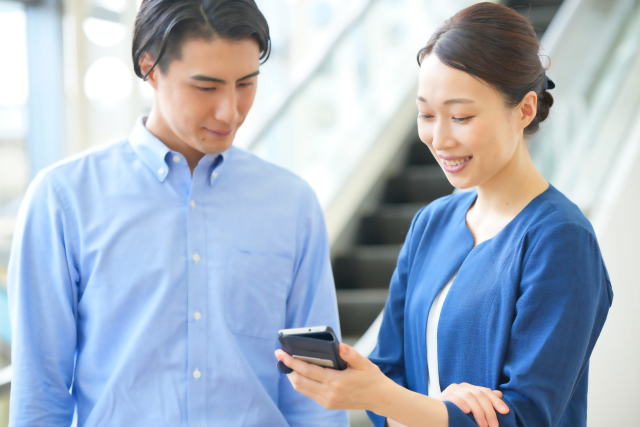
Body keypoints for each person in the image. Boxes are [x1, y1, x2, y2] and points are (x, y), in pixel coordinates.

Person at [8, 1, 347, 426]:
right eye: (206, 87)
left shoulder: (292, 205)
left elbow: (314, 393)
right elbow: (40, 396)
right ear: (149, 66)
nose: (230, 110)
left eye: (246, 83)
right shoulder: (62, 200)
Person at [275, 3, 613, 427]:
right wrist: (422, 403)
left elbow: (527, 416)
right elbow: (391, 373)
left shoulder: (560, 239)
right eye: (427, 114)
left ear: (525, 110)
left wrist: (415, 404)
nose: (439, 138)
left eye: (461, 116)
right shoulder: (432, 223)